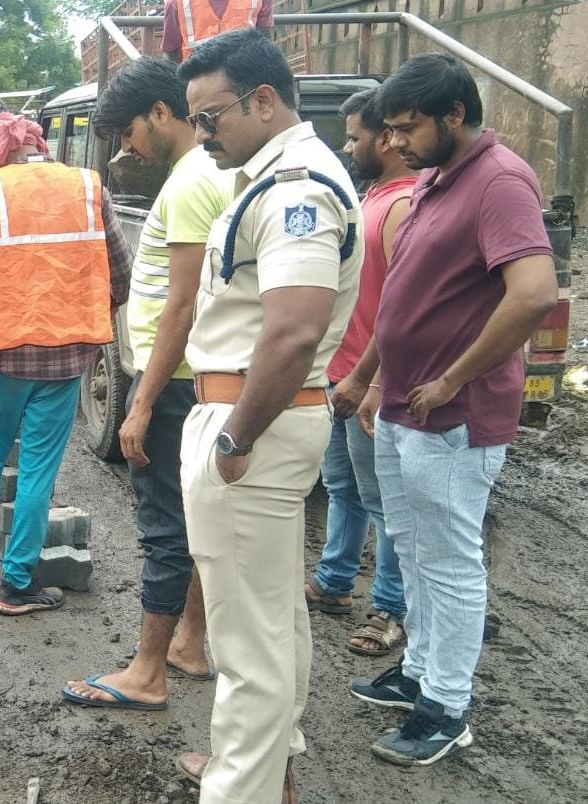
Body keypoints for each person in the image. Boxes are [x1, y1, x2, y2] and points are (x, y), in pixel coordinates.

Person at [347, 53, 556, 767]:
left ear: (455, 115)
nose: (396, 142)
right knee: (410, 547)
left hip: (453, 415)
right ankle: (418, 672)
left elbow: (533, 294)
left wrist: (452, 377)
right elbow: (409, 295)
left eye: (408, 128)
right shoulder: (436, 180)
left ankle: (446, 707)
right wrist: (373, 380)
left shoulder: (499, 182)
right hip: (403, 405)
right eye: (391, 129)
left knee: (449, 562)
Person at [170, 29, 362, 802]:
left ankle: (240, 786)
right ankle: (268, 765)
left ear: (263, 100)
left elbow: (293, 332)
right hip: (264, 422)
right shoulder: (281, 180)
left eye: (209, 117)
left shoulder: (295, 192)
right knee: (274, 617)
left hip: (254, 424)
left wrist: (235, 438)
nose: (201, 134)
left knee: (246, 642)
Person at [62, 57, 230, 711]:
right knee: (198, 521)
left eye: (129, 133)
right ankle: (190, 643)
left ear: (161, 113)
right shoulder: (212, 172)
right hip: (199, 378)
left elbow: (181, 308)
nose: (127, 150)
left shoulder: (189, 184)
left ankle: (148, 671)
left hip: (178, 382)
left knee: (164, 525)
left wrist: (144, 399)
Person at [0, 112, 131, 616]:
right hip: (66, 359)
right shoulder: (88, 187)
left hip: (2, 356)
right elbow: (120, 273)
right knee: (37, 471)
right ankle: (16, 584)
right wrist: (90, 315)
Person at [305, 87, 416, 657]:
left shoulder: (404, 206)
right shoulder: (372, 198)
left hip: (371, 382)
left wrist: (372, 382)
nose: (348, 148)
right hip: (340, 373)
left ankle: (391, 606)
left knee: (384, 500)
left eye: (354, 137)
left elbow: (402, 306)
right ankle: (334, 580)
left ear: (387, 138)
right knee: (342, 486)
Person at [163, 0, 274, 62]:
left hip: (244, 82)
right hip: (197, 86)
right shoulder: (176, 3)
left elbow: (265, 47)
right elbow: (171, 58)